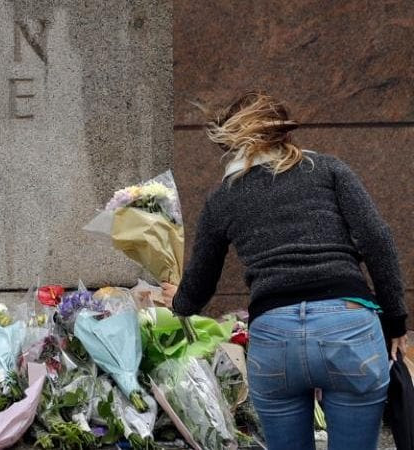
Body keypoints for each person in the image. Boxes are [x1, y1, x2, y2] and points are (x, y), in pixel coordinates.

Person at [160, 92, 408, 450]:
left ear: (232, 141)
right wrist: (396, 319)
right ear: (285, 133)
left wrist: (178, 302)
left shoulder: (223, 198)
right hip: (348, 326)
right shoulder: (328, 169)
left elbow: (200, 282)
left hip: (274, 338)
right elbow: (377, 239)